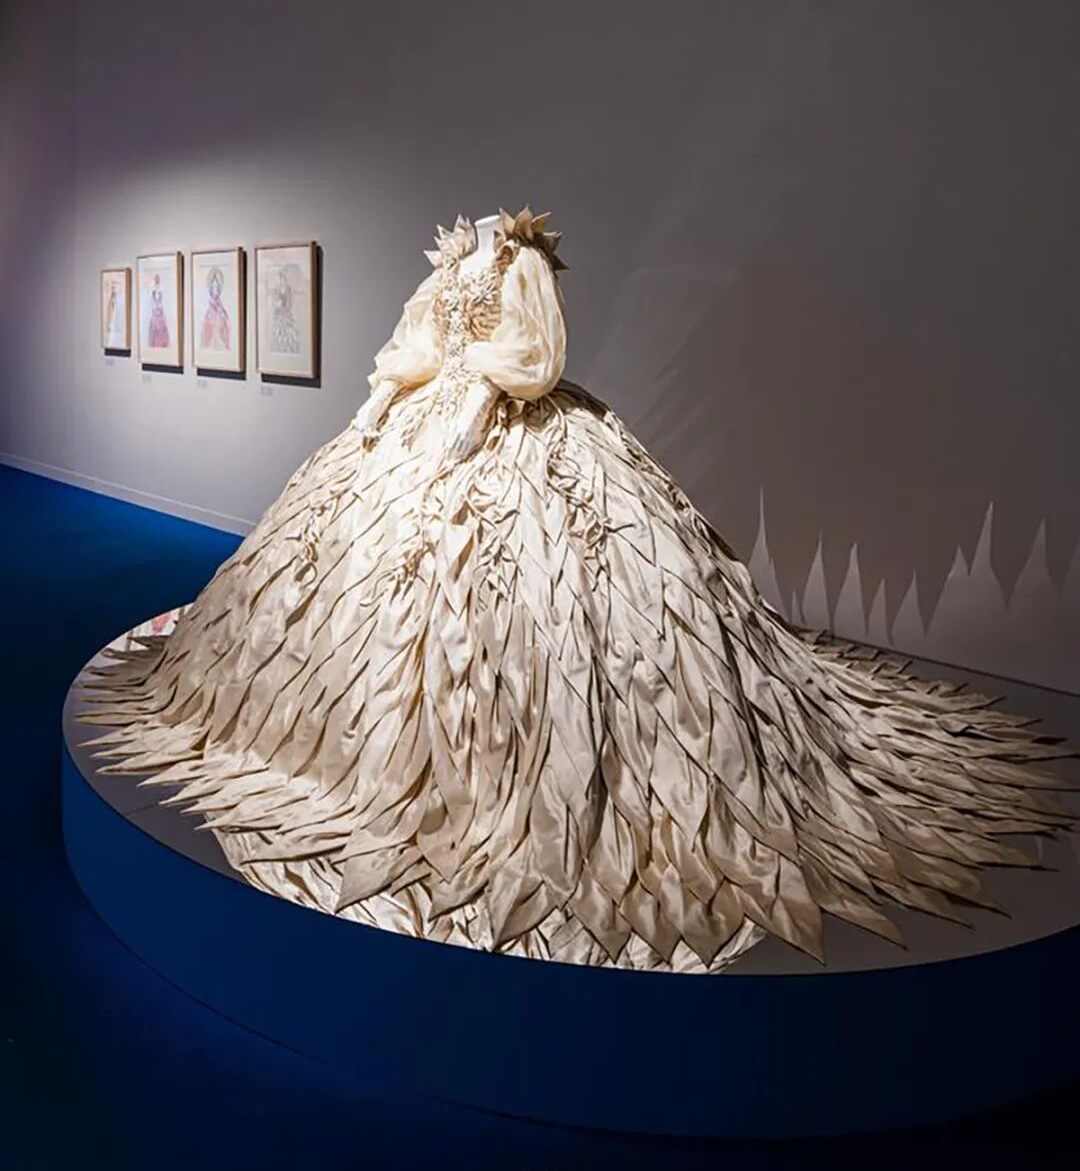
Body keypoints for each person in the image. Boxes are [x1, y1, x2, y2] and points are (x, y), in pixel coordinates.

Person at [83, 209, 1073, 973]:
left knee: (568, 609)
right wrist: (390, 396)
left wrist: (476, 388)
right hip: (425, 429)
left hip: (515, 433)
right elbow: (415, 339)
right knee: (361, 610)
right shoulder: (452, 258)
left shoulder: (520, 256)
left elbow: (535, 356)